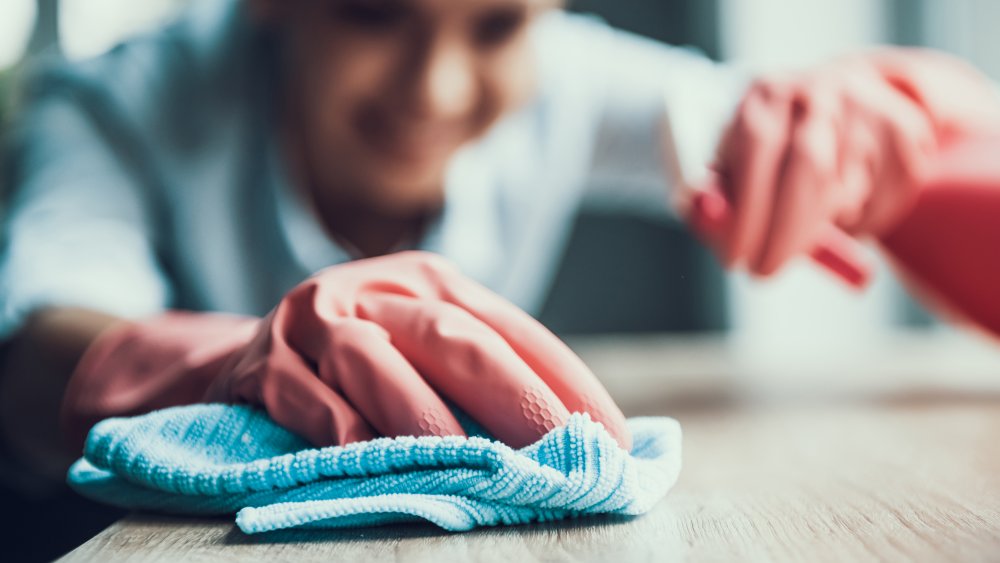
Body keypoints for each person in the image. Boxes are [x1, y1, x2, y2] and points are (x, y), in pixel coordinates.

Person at [2, 0, 999, 482]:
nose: (434, 88)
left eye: (497, 26)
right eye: (371, 13)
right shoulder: (121, 103)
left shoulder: (563, 79)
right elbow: (29, 352)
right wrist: (239, 361)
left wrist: (887, 116)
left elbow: (821, 141)